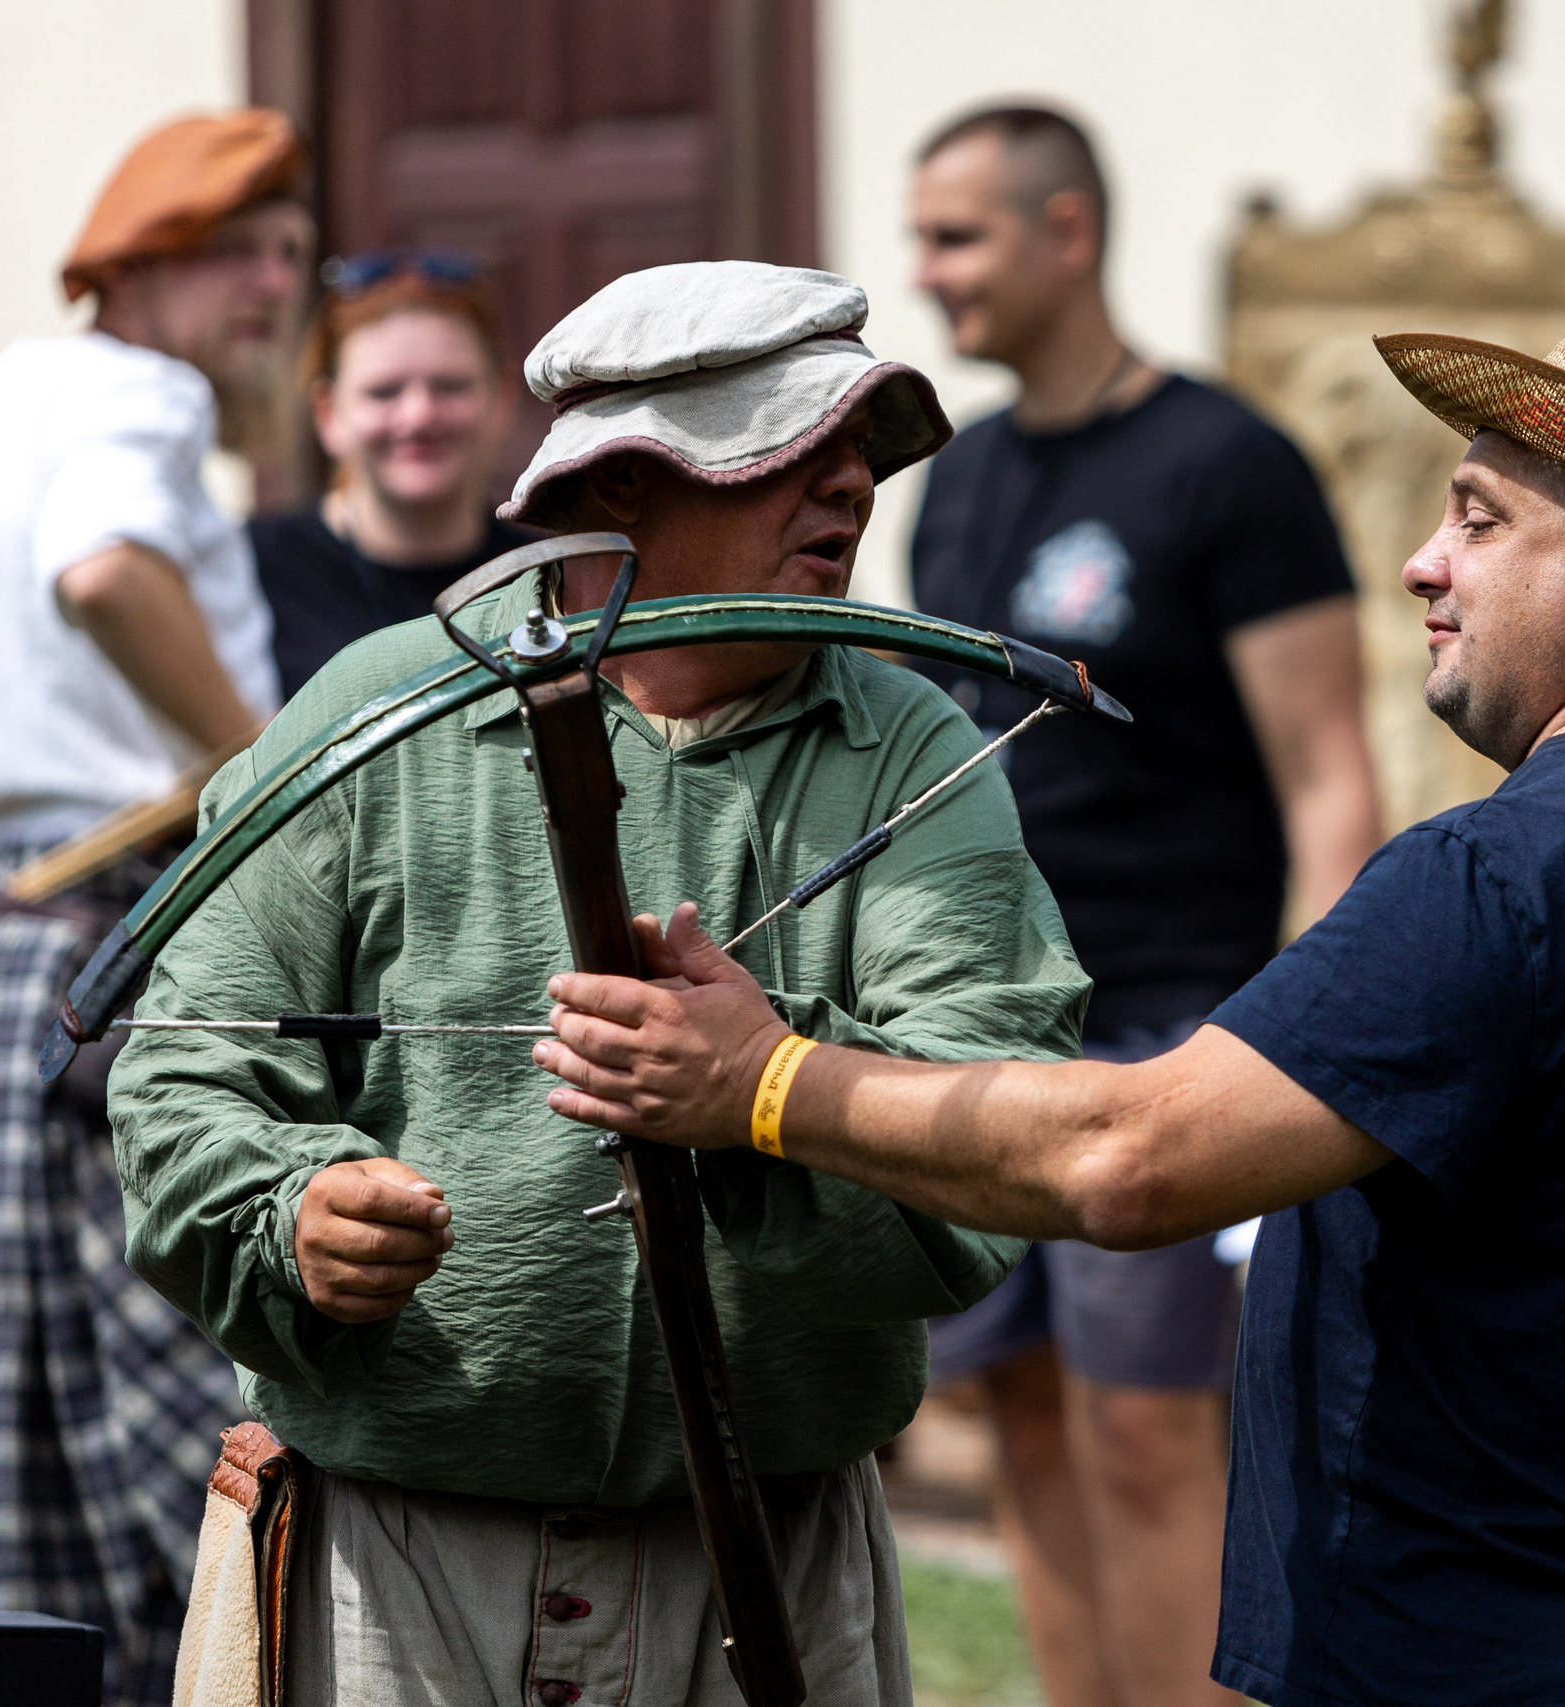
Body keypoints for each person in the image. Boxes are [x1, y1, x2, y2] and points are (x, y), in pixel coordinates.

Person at [532, 303, 1565, 1707]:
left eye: (1480, 519)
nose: (1425, 564)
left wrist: (764, 1081)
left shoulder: (1496, 875)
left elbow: (1134, 1156)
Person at [107, 260, 1085, 1707]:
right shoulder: (377, 714)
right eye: (792, 454)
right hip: (400, 1556)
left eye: (860, 454)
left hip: (771, 1556)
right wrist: (290, 1212)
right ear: (622, 483)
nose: (850, 491)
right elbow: (188, 1060)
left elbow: (996, 1108)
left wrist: (767, 1088)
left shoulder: (909, 744)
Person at [0, 111, 304, 1705]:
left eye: (291, 256)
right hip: (124, 970)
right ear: (138, 268)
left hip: (1, 977)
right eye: (240, 253)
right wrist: (267, 774)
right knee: (186, 1411)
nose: (275, 291)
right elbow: (105, 571)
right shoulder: (136, 407)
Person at [906, 105, 1382, 1707]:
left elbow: (1329, 770)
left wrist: (1315, 1041)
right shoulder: (956, 481)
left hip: (1173, 1022)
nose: (928, 271)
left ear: (1067, 232)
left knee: (1148, 1416)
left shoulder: (1227, 464)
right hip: (985, 1025)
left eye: (958, 235)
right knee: (1019, 1405)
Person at [249, 249, 536, 699]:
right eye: (383, 392)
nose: (418, 416)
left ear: (501, 399)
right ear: (328, 414)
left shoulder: (550, 578)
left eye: (450, 386)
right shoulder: (246, 570)